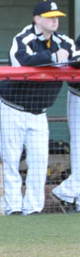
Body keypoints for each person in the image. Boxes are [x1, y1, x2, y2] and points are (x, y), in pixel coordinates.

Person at [0, 0, 79, 216]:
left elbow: (75, 56)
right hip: (12, 107)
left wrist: (64, 58)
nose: (55, 21)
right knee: (11, 160)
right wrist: (51, 58)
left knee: (39, 162)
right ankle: (13, 207)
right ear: (37, 19)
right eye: (50, 17)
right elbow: (18, 61)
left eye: (57, 18)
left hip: (40, 111)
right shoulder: (24, 37)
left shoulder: (64, 41)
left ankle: (32, 208)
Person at [50, 34, 80, 213]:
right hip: (78, 96)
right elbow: (73, 61)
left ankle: (68, 193)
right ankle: (67, 193)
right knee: (78, 149)